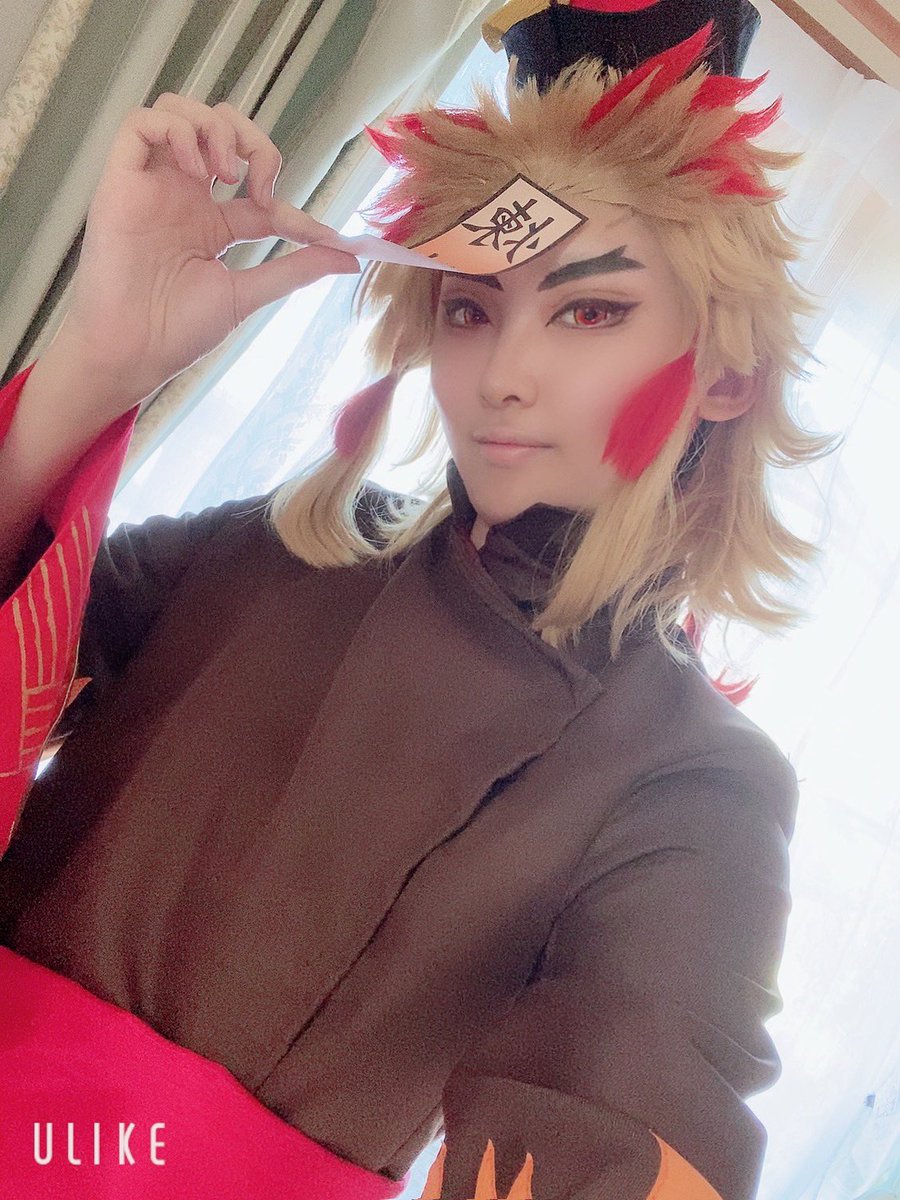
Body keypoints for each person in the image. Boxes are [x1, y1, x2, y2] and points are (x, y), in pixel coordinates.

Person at [0, 2, 837, 1197]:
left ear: (728, 372)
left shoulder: (692, 778)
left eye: (589, 309)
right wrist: (97, 364)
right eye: (470, 307)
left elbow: (629, 1135)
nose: (503, 373)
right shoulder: (280, 548)